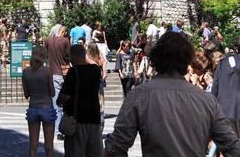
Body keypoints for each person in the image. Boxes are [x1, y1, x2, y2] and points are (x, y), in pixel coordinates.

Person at [103, 32, 240, 157]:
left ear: (156, 59)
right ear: (187, 61)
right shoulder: (206, 100)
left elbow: (115, 148)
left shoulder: (139, 95)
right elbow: (232, 147)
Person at [57, 44, 103, 157]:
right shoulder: (96, 70)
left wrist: (59, 101)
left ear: (74, 56)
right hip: (94, 118)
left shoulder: (73, 72)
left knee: (75, 152)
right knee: (94, 153)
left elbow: (64, 96)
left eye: (69, 57)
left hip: (77, 119)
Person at [22, 45, 56, 157]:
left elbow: (26, 95)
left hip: (33, 107)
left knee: (33, 147)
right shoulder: (47, 70)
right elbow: (52, 93)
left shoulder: (26, 72)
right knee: (49, 147)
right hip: (46, 107)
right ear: (43, 55)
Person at [212, 38, 240, 140]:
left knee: (231, 142)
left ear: (237, 49)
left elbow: (216, 86)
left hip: (226, 108)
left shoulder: (224, 62)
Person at [46, 25, 70, 141]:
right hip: (63, 73)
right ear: (64, 33)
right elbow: (69, 57)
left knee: (56, 101)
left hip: (52, 73)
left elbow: (46, 53)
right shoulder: (65, 41)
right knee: (64, 101)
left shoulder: (49, 40)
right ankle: (62, 128)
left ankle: (57, 130)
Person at [86, 42, 107, 130]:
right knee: (100, 105)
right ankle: (100, 128)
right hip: (99, 83)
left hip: (88, 84)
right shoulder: (100, 58)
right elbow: (105, 74)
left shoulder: (86, 58)